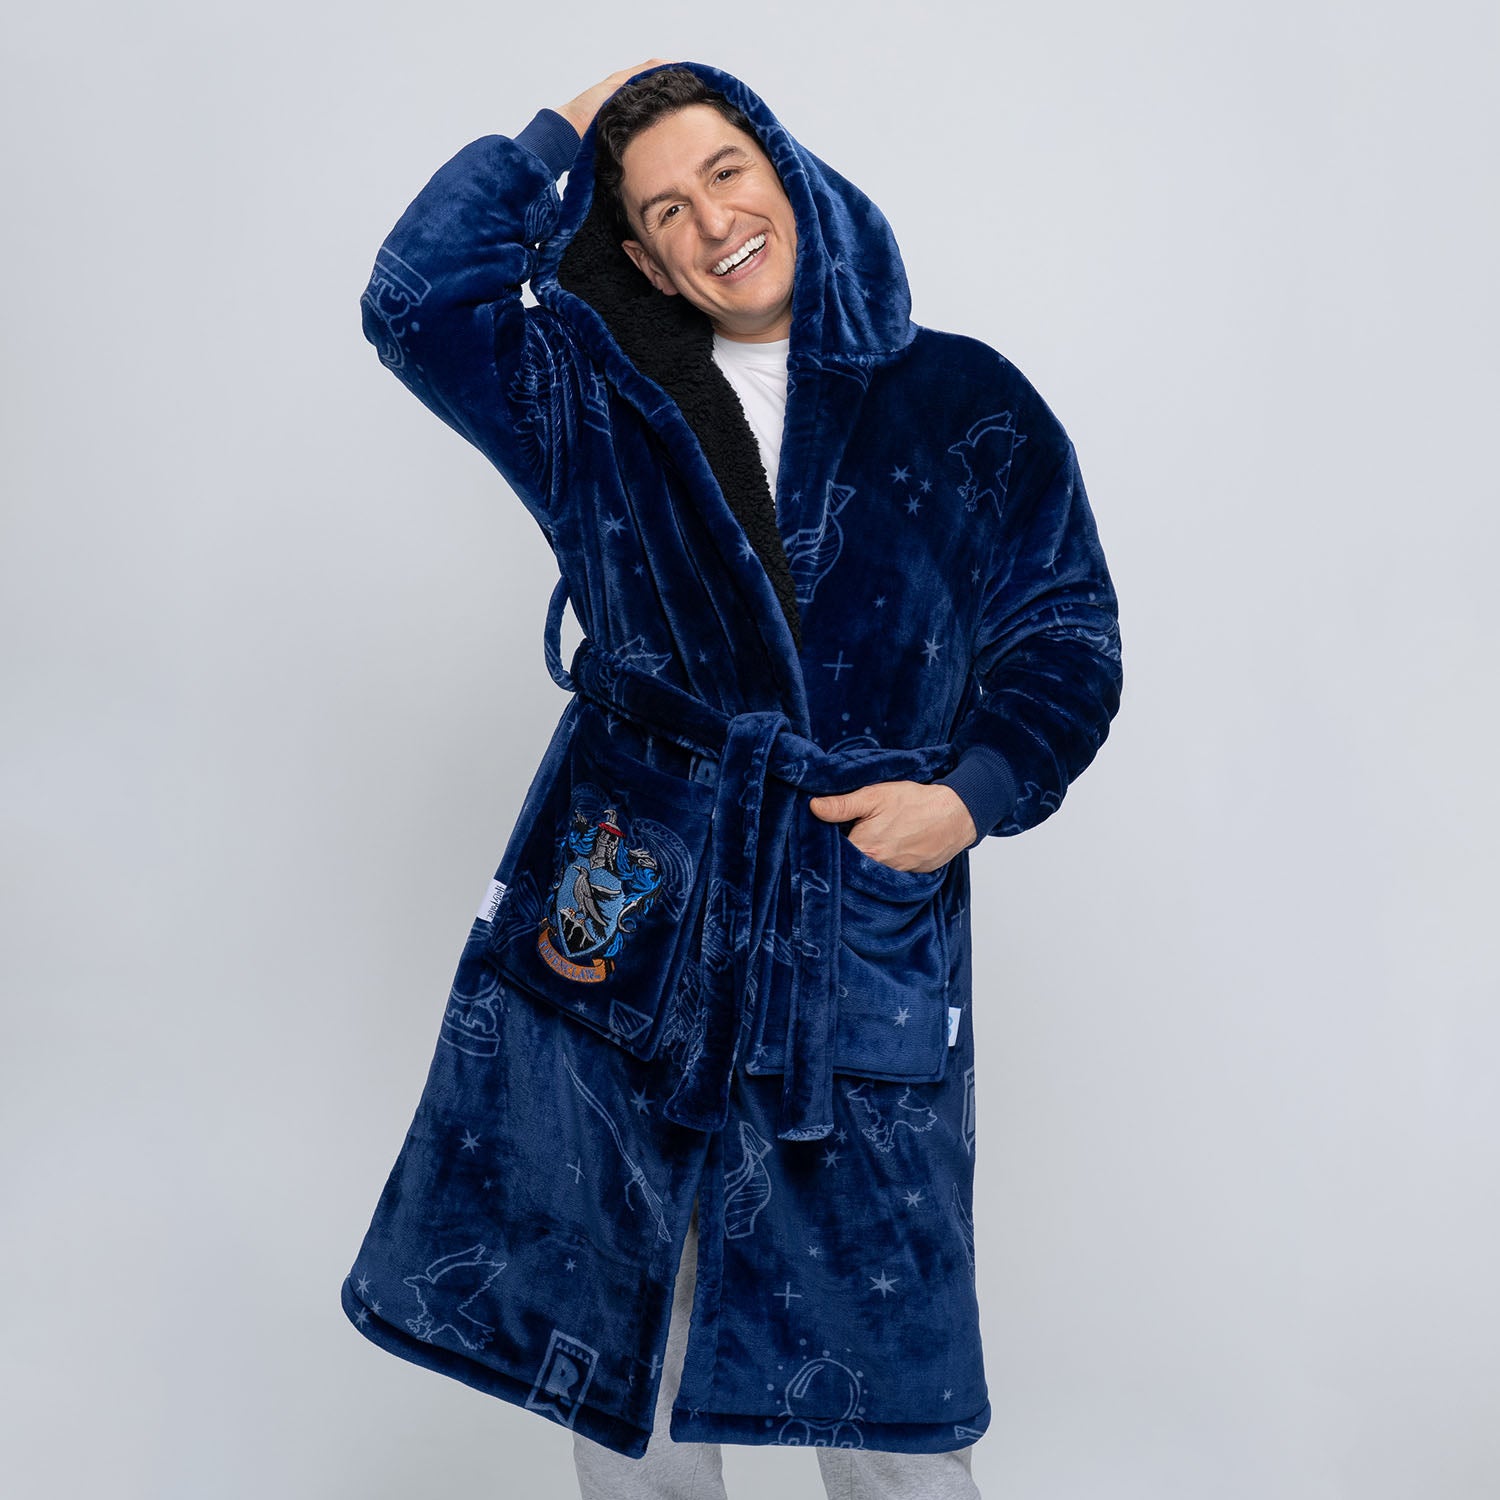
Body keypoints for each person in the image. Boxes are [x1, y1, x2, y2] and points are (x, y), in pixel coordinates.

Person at [342, 59, 1123, 1500]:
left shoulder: (963, 398)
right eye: (663, 209)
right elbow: (416, 302)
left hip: (848, 919)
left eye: (726, 172)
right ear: (640, 254)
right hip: (636, 901)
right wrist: (566, 128)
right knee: (624, 1350)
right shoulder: (594, 399)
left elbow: (1065, 636)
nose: (712, 222)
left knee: (883, 1392)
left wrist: (967, 797)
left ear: (786, 174)